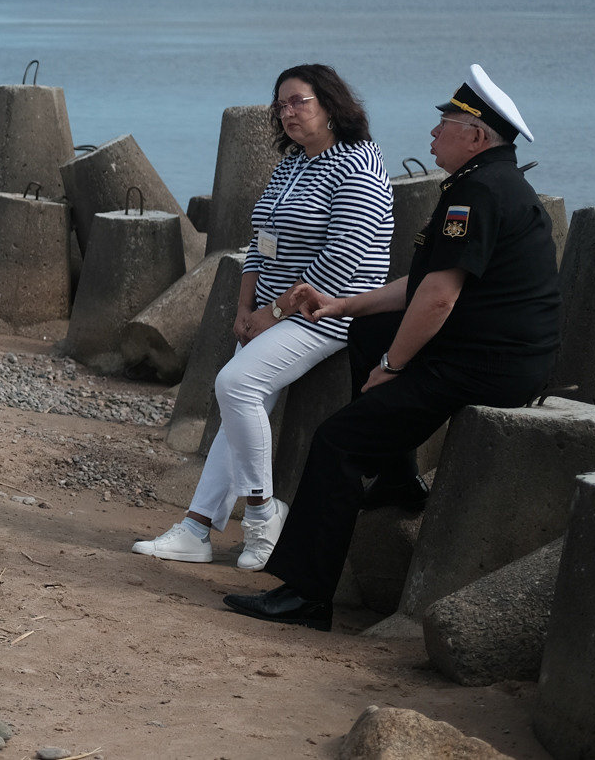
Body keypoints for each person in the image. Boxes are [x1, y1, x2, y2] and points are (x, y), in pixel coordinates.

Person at [225, 65, 561, 630]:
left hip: (487, 364)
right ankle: (399, 476)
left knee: (338, 441)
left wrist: (392, 368)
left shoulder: (477, 193)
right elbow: (419, 283)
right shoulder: (483, 184)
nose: (432, 136)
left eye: (445, 125)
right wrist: (342, 306)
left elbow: (436, 300)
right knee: (368, 327)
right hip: (490, 351)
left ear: (476, 137)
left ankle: (305, 595)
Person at [132, 64, 393, 569]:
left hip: (328, 312)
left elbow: (341, 259)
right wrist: (245, 306)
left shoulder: (359, 166)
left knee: (236, 388)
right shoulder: (293, 162)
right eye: (281, 105)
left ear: (332, 105)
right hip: (270, 312)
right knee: (237, 411)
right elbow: (261, 242)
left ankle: (261, 515)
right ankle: (196, 528)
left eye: (299, 102)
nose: (287, 113)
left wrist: (272, 315)